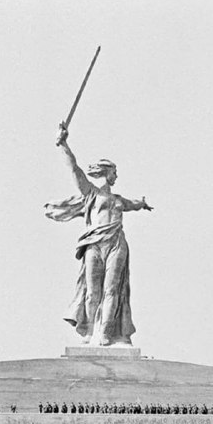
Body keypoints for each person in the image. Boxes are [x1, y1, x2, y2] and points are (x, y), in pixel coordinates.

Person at [45, 124, 153, 347]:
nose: (116, 176)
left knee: (112, 289)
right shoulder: (91, 193)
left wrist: (142, 203)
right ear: (107, 172)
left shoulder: (119, 200)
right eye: (114, 172)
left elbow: (134, 204)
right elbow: (75, 170)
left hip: (116, 244)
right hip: (94, 244)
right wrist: (64, 144)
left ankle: (106, 332)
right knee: (93, 291)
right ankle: (91, 331)